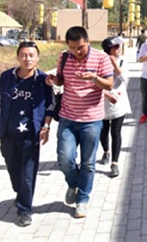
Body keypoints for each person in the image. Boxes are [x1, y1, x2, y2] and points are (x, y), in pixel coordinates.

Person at [45, 26, 114, 219]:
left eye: (81, 47)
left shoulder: (101, 58)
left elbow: (109, 84)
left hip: (92, 120)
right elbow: (61, 80)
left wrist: (94, 78)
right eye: (72, 48)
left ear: (88, 42)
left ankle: (82, 199)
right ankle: (73, 183)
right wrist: (53, 79)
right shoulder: (64, 57)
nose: (77, 52)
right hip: (67, 118)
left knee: (88, 163)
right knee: (64, 158)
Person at [0, 41, 54, 226]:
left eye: (31, 55)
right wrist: (1, 124)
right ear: (18, 57)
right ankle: (20, 194)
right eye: (24, 55)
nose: (27, 59)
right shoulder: (6, 77)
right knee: (14, 170)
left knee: (28, 173)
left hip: (31, 134)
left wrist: (45, 127)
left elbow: (50, 105)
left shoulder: (43, 80)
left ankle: (25, 209)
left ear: (37, 58)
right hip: (8, 133)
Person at [98, 36, 131, 178]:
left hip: (119, 101)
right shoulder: (100, 63)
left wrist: (115, 64)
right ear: (108, 49)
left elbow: (124, 78)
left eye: (119, 47)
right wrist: (106, 95)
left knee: (116, 132)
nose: (119, 49)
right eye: (115, 47)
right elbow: (95, 82)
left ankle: (114, 163)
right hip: (103, 101)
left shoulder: (122, 61)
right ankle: (106, 151)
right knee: (103, 130)